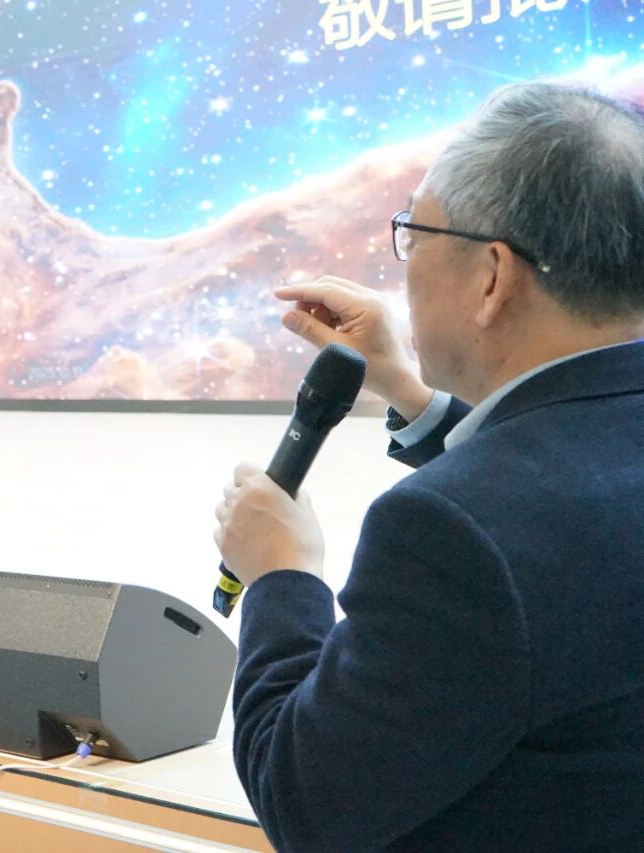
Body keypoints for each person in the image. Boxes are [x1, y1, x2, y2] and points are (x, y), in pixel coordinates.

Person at [213, 82, 644, 851]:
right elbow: (561, 488)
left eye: (413, 234)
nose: (403, 266)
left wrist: (280, 575)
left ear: (492, 276)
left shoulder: (446, 532)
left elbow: (307, 802)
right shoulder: (571, 473)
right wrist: (408, 391)